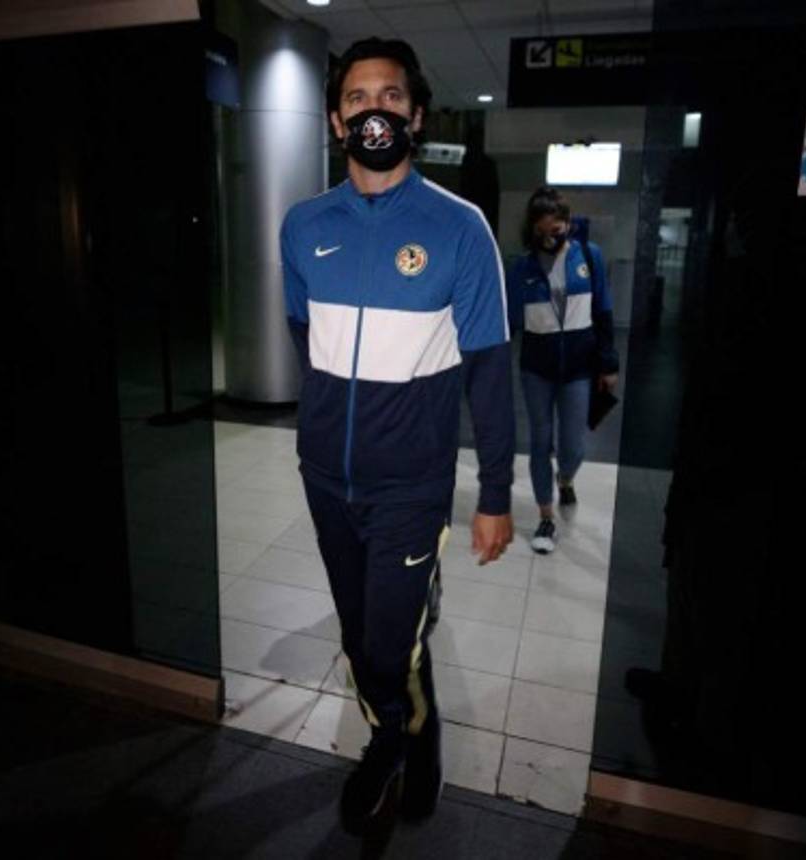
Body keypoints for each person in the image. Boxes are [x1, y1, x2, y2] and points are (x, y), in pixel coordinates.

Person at [280, 37, 515, 833]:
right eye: (355, 99)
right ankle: (391, 733)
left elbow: (488, 370)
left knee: (389, 646)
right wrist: (324, 426)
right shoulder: (303, 225)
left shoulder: (460, 228)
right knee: (360, 637)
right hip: (325, 478)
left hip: (411, 487)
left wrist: (494, 496)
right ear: (334, 119)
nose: (371, 110)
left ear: (415, 115)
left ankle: (418, 738)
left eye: (388, 97)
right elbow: (305, 341)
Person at [506, 186, 618, 553]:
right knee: (540, 441)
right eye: (543, 231)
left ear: (568, 225)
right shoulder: (521, 268)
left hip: (579, 369)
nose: (551, 238)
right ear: (533, 228)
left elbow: (603, 311)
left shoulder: (590, 255)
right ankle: (546, 516)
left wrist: (608, 363)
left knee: (574, 446)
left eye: (557, 230)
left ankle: (565, 477)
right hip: (536, 368)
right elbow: (507, 321)